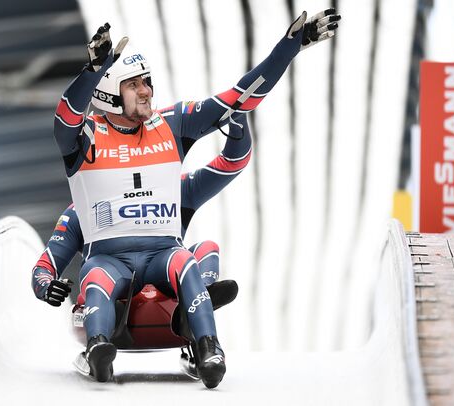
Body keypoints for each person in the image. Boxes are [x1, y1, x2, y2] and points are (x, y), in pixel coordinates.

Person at [49, 9, 340, 388]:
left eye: (148, 82)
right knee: (97, 277)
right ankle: (100, 347)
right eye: (134, 84)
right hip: (108, 258)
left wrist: (290, 47)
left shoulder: (172, 122)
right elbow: (65, 119)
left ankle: (208, 348)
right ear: (109, 93)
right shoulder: (85, 138)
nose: (147, 91)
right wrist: (90, 72)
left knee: (186, 261)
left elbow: (240, 97)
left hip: (162, 254)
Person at [32, 115, 251, 378]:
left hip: (167, 278)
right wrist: (46, 286)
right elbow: (46, 265)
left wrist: (237, 112)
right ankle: (99, 344)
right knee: (96, 272)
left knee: (199, 251)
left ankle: (200, 319)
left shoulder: (176, 187)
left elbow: (233, 161)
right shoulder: (80, 210)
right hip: (116, 283)